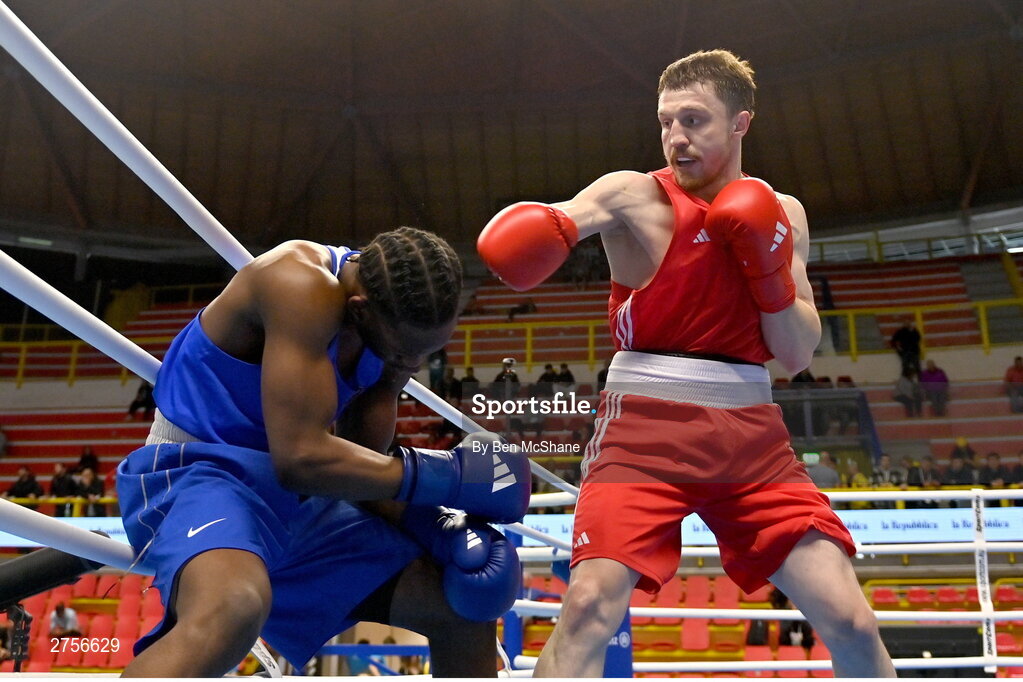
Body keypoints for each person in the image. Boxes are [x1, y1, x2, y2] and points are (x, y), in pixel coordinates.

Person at [476, 49, 893, 677]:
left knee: (851, 619)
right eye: (666, 121)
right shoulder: (632, 194)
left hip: (752, 436)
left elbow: (797, 351)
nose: (676, 137)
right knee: (588, 608)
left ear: (739, 123)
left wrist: (767, 268)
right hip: (644, 429)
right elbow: (561, 223)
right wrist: (550, 228)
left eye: (694, 120)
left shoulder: (785, 214)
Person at [114, 229, 529, 677]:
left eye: (426, 353)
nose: (412, 365)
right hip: (202, 471)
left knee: (459, 604)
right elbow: (300, 459)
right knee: (233, 608)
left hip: (302, 500)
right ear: (359, 311)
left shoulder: (393, 324)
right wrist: (447, 474)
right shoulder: (297, 283)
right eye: (404, 353)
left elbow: (360, 466)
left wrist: (432, 521)